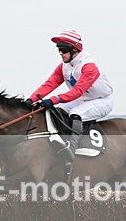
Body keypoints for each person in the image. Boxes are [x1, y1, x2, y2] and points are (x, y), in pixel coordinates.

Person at [29, 29, 114, 161]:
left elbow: (77, 91)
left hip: (101, 101)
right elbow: (50, 84)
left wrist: (53, 100)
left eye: (63, 50)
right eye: (59, 50)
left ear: (74, 50)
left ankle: (71, 150)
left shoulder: (89, 66)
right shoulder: (64, 66)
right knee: (56, 111)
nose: (60, 53)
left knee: (76, 114)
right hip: (82, 99)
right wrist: (30, 99)